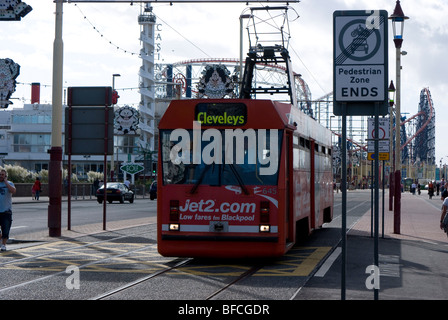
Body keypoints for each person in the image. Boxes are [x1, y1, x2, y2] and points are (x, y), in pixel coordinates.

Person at [0, 169, 16, 251]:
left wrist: (6, 182)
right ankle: (1, 240)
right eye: (0, 174)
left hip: (6, 211)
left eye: (2, 174)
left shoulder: (9, 183)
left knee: (5, 230)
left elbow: (13, 191)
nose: (1, 176)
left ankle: (3, 244)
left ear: (5, 176)